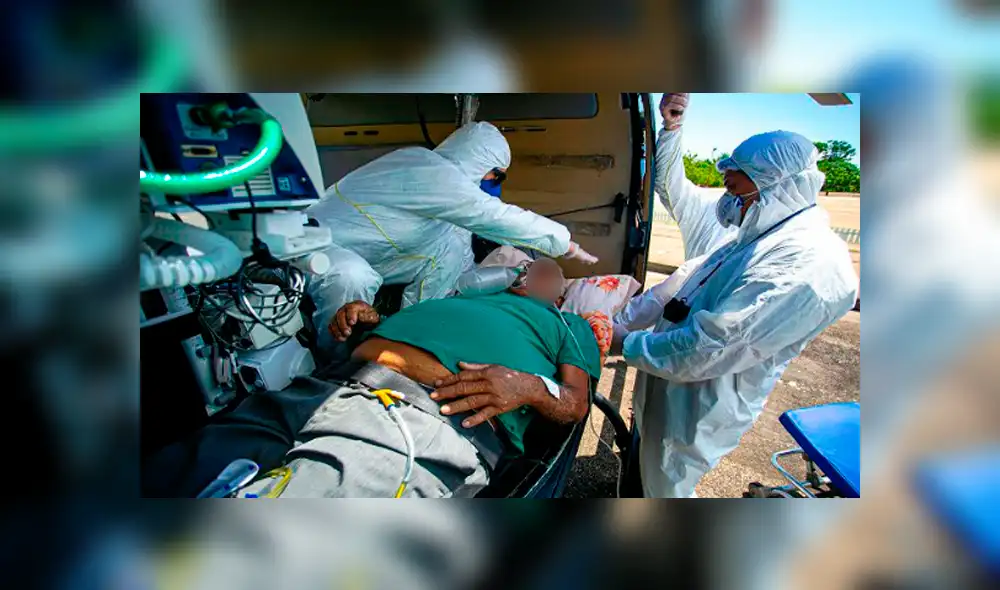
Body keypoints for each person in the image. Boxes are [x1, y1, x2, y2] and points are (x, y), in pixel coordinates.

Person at [143, 258, 602, 498]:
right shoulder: (462, 296)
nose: (534, 271)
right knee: (168, 475)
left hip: (418, 416)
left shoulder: (566, 324)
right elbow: (411, 331)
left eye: (549, 271)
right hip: (323, 388)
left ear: (560, 292)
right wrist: (363, 320)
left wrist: (528, 387)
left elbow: (574, 404)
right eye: (530, 265)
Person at [612, 93, 858, 498]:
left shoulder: (807, 264)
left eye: (734, 192)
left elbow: (713, 345)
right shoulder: (763, 230)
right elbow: (688, 280)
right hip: (672, 387)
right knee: (647, 473)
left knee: (666, 488)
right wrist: (629, 317)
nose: (727, 203)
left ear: (778, 188)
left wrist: (625, 341)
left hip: (696, 407)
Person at [307, 122, 598, 356]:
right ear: (479, 159)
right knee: (353, 276)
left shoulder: (446, 194)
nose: (495, 185)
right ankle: (332, 359)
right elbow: (491, 216)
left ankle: (406, 336)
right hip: (318, 244)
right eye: (496, 176)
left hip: (371, 251)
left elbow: (463, 256)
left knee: (451, 250)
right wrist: (566, 244)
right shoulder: (426, 168)